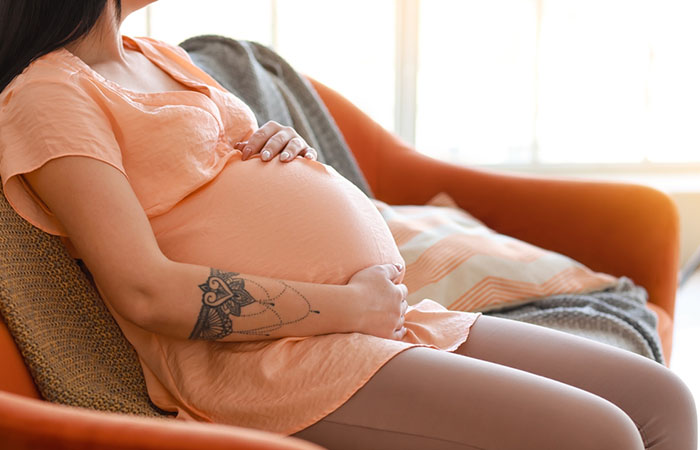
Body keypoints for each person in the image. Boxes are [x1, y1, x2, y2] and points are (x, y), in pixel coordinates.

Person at [0, 1, 696, 449]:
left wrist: (277, 148)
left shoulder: (159, 57)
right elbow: (145, 291)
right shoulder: (48, 94)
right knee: (600, 436)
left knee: (661, 400)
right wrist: (350, 305)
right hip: (277, 361)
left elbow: (208, 171)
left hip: (378, 319)